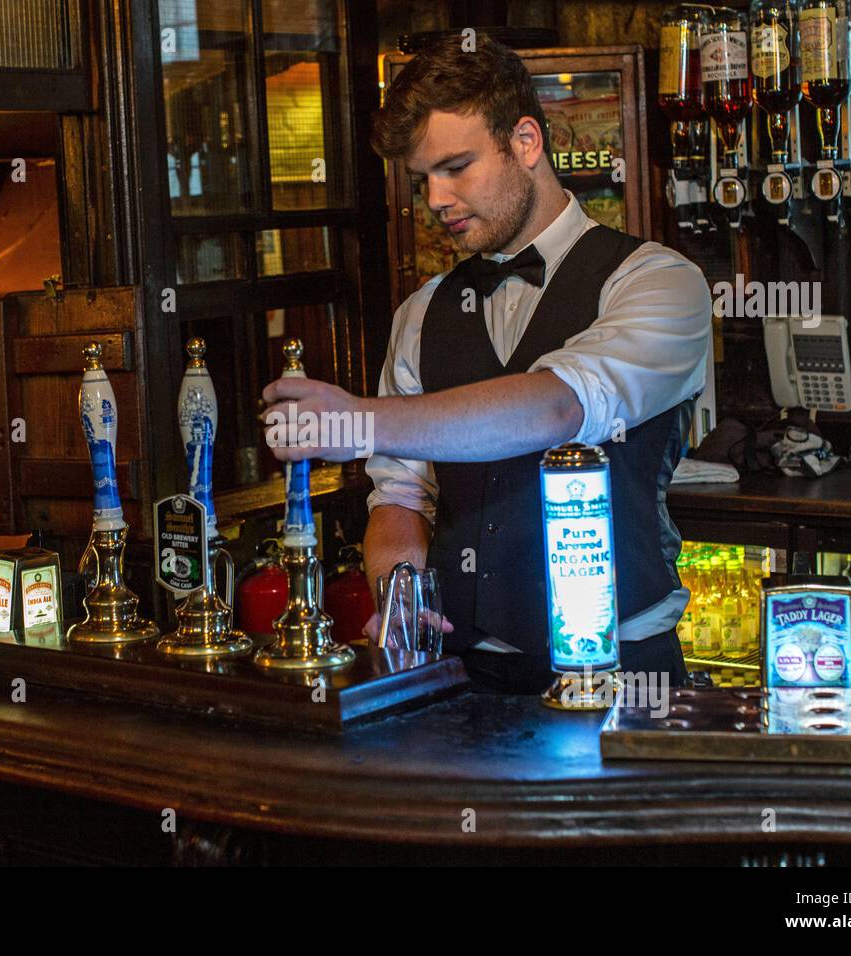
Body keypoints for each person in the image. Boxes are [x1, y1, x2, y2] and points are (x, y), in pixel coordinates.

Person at [260, 35, 711, 694]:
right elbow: (402, 495)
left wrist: (358, 421)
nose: (437, 200)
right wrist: (398, 589)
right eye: (423, 180)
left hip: (622, 672)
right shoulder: (421, 313)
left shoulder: (656, 282)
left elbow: (558, 408)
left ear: (525, 142)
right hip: (459, 672)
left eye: (457, 167)